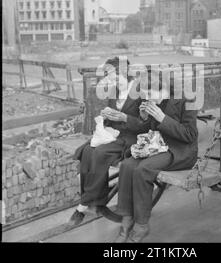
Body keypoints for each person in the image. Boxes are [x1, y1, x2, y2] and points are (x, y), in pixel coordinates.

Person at [115, 71, 198, 243]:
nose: (150, 100)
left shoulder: (187, 100)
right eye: (147, 95)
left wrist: (163, 118)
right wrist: (145, 118)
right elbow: (150, 128)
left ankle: (142, 225)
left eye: (153, 95)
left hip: (180, 150)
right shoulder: (153, 99)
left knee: (144, 169)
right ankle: (127, 217)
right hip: (157, 145)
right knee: (127, 166)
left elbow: (190, 135)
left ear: (165, 89)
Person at [70, 57, 147, 225]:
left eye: (112, 74)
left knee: (99, 152)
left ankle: (83, 204)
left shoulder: (141, 92)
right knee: (87, 150)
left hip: (131, 138)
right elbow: (112, 121)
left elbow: (146, 125)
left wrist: (125, 118)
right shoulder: (115, 92)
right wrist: (106, 119)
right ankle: (93, 199)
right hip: (114, 135)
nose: (109, 79)